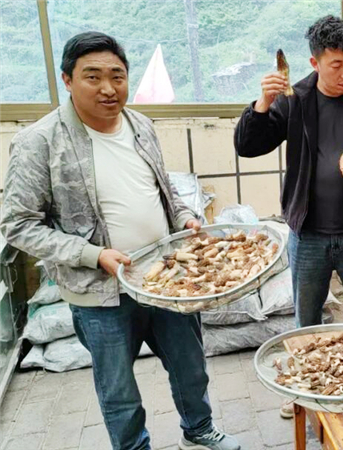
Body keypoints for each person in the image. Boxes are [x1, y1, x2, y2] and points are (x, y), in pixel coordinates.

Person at [0, 32, 238, 450]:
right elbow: (19, 225)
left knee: (190, 366)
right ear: (67, 80)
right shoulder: (39, 142)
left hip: (168, 279)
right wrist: (93, 254)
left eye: (117, 76)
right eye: (93, 76)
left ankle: (198, 431)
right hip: (101, 293)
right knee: (118, 389)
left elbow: (164, 188)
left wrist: (183, 217)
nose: (108, 88)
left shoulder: (140, 124)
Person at [233, 15, 343, 418]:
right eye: (335, 64)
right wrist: (262, 104)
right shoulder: (296, 99)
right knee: (306, 318)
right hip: (308, 233)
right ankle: (302, 388)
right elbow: (248, 146)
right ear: (314, 62)